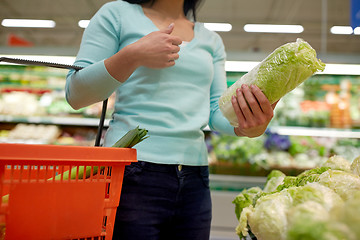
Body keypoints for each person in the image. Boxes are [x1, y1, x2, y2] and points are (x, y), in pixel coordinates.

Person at [65, 0, 277, 239]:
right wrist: (133, 55)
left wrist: (250, 127)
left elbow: (216, 115)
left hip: (195, 179)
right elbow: (76, 94)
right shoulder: (116, 14)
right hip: (131, 172)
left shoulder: (211, 40)